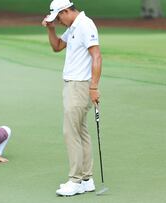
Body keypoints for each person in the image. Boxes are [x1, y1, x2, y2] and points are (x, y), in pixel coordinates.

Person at [42, 0, 102, 197]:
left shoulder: (85, 25)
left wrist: (94, 87)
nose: (59, 21)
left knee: (70, 132)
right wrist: (50, 29)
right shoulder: (74, 26)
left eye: (59, 17)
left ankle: (75, 180)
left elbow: (97, 56)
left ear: (66, 11)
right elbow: (57, 46)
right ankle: (87, 179)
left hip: (79, 86)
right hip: (73, 85)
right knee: (80, 131)